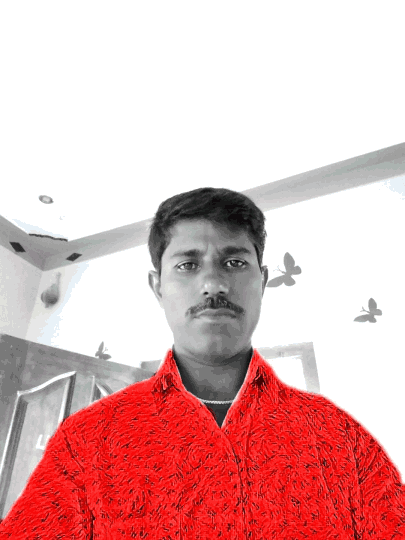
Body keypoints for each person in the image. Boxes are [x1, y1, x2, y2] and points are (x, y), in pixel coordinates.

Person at [0, 187, 404, 538]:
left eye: (234, 262)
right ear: (158, 286)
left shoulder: (340, 438)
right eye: (188, 265)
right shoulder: (86, 441)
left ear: (263, 281)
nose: (214, 284)